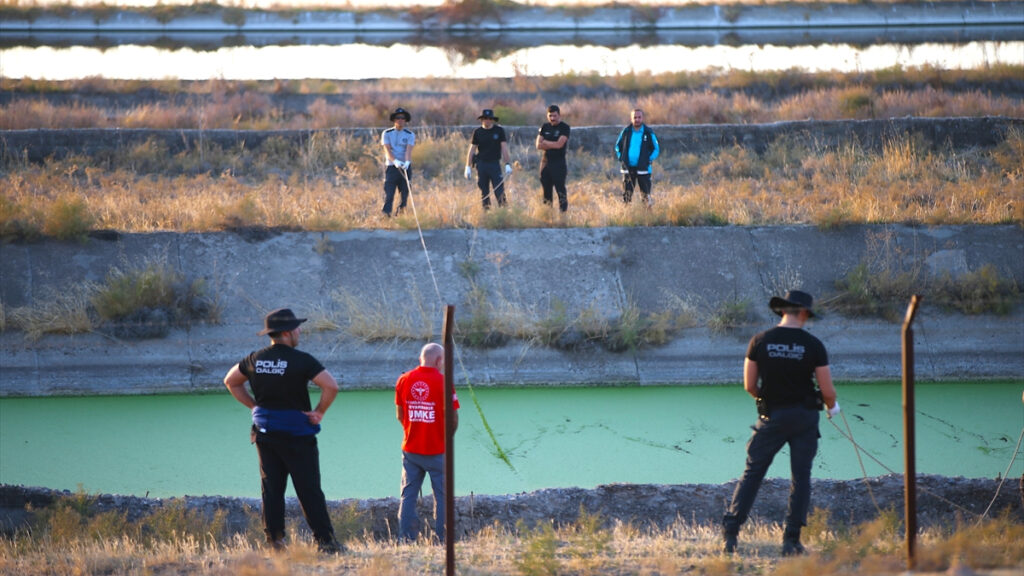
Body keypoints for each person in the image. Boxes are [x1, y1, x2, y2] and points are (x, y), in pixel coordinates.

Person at [722, 290, 840, 557]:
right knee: (801, 478)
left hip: (773, 417)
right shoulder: (814, 345)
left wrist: (768, 400)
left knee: (753, 472)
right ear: (804, 313)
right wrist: (832, 408)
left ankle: (731, 534)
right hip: (804, 418)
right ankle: (791, 541)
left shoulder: (760, 341)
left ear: (784, 311)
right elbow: (828, 391)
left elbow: (749, 385)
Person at [223, 308, 342, 554]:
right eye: (297, 328)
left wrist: (254, 405)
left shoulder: (255, 358)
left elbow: (230, 381)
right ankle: (326, 543)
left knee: (272, 489)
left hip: (265, 434)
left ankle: (275, 543)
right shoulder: (302, 360)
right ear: (287, 332)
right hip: (298, 435)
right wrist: (319, 411)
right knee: (309, 489)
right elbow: (331, 386)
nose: (300, 331)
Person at [395, 342, 460, 542]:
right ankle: (443, 538)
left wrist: (413, 430)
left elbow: (400, 415)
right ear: (439, 360)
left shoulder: (404, 379)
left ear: (420, 359)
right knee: (442, 497)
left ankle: (405, 538)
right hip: (437, 450)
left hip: (411, 449)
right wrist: (446, 438)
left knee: (408, 496)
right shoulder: (444, 382)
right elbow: (454, 418)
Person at [465, 108, 513, 210]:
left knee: (499, 190)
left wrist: (507, 164)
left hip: (494, 164)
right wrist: (467, 167)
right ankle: (486, 213)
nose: (487, 120)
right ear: (482, 119)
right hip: (481, 165)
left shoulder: (499, 131)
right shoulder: (478, 132)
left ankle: (504, 212)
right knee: (484, 191)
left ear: (492, 120)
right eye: (485, 118)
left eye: (489, 118)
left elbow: (504, 148)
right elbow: (472, 150)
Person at [614, 108, 660, 204]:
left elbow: (656, 149)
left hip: (643, 169)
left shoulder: (648, 132)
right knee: (627, 195)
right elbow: (618, 146)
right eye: (635, 117)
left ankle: (647, 215)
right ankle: (626, 215)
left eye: (639, 117)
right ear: (631, 119)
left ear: (642, 118)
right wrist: (621, 157)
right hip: (628, 168)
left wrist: (648, 159)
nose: (637, 119)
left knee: (645, 195)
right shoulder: (626, 132)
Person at [535, 104, 571, 212]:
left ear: (559, 115)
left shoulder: (564, 127)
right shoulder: (545, 127)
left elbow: (559, 145)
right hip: (545, 163)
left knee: (561, 191)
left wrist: (545, 142)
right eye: (550, 116)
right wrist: (551, 143)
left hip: (558, 164)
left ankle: (563, 216)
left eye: (555, 116)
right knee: (546, 192)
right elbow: (538, 145)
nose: (552, 118)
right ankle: (548, 215)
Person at [381, 107, 415, 217]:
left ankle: (400, 215)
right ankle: (386, 216)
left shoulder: (410, 134)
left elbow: (408, 150)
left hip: (404, 167)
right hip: (392, 167)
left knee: (404, 194)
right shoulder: (387, 133)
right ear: (394, 120)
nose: (400, 120)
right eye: (398, 118)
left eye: (402, 118)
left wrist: (407, 163)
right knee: (389, 194)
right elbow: (387, 149)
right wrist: (395, 161)